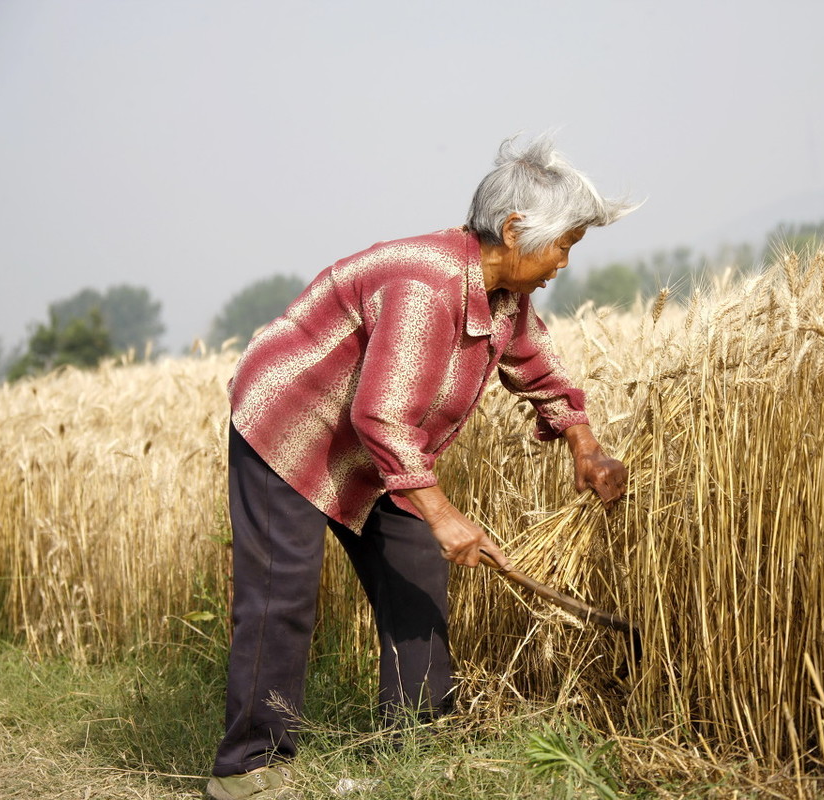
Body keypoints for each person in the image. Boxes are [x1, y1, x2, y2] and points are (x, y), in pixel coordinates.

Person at [206, 134, 636, 800]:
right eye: (563, 245)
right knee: (281, 594)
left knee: (415, 571)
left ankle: (417, 748)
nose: (563, 264)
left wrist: (584, 443)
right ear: (516, 229)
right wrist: (441, 512)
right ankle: (249, 769)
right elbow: (380, 416)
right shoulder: (426, 286)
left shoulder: (504, 294)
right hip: (290, 428)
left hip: (375, 451)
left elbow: (534, 364)